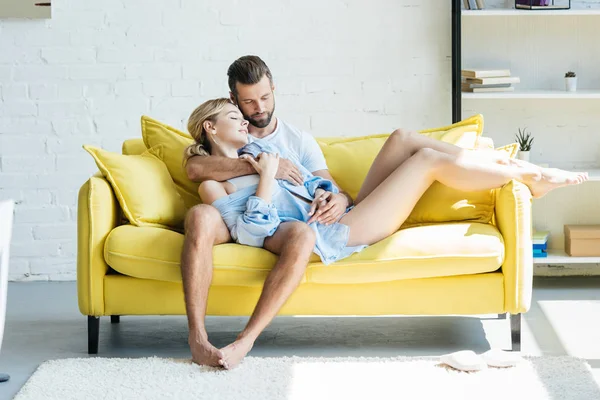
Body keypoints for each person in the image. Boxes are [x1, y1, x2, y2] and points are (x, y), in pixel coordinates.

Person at [187, 98, 588, 369]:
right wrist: (265, 178)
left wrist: (331, 195)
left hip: (342, 214)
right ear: (211, 128)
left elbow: (314, 186)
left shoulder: (261, 155)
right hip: (336, 235)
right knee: (427, 160)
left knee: (404, 139)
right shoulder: (216, 183)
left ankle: (511, 167)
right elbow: (252, 232)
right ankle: (531, 174)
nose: (246, 119)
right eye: (234, 116)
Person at [180, 56, 352, 369]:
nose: (258, 109)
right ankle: (197, 336)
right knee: (200, 214)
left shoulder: (295, 140)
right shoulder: (242, 145)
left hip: (279, 221)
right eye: (247, 103)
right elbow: (196, 168)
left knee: (303, 234)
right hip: (240, 218)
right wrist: (262, 170)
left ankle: (246, 339)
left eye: (265, 97)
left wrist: (336, 197)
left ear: (273, 89)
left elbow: (326, 185)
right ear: (234, 99)